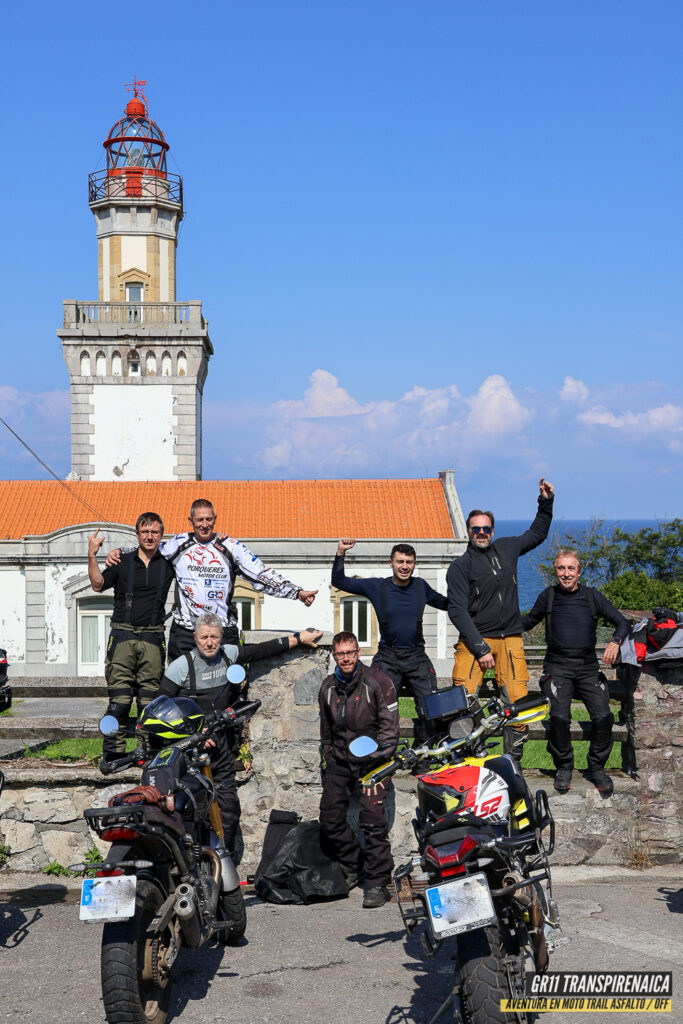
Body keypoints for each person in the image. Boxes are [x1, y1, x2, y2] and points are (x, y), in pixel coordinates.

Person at [160, 612, 322, 852]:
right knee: (189, 810)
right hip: (189, 750)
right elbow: (161, 709)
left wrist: (298, 638)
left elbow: (262, 651)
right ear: (195, 637)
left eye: (214, 636)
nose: (209, 642)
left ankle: (221, 862)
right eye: (204, 637)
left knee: (229, 811)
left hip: (220, 748)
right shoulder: (180, 667)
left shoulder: (229, 654)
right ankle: (192, 866)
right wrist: (191, 736)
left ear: (221, 636)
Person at [105, 498, 318, 660]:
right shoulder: (178, 544)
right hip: (186, 632)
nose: (205, 524)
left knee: (226, 692)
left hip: (222, 630)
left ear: (215, 519)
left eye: (209, 519)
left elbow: (259, 574)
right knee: (181, 691)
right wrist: (119, 552)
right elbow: (147, 547)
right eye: (200, 520)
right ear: (191, 521)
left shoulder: (230, 546)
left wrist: (296, 592)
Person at [446, 478, 555, 765]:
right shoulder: (459, 568)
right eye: (476, 529)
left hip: (511, 639)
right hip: (475, 641)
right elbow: (457, 611)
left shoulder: (507, 548)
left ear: (492, 530)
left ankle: (511, 763)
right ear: (468, 531)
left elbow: (538, 533)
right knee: (462, 702)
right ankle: (471, 757)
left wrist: (545, 501)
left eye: (486, 528)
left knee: (518, 703)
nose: (481, 533)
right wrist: (480, 648)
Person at [522, 548, 630, 795]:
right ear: (555, 570)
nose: (566, 573)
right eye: (561, 568)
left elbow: (622, 622)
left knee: (604, 717)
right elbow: (525, 623)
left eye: (571, 568)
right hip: (557, 668)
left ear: (579, 572)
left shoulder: (592, 596)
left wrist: (615, 642)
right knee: (559, 718)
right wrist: (491, 629)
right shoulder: (548, 596)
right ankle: (564, 766)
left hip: (588, 668)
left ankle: (597, 768)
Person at [332, 539, 447, 743]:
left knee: (431, 709)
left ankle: (423, 760)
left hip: (417, 657)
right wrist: (341, 552)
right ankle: (383, 759)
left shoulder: (421, 586)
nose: (405, 566)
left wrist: (474, 597)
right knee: (376, 708)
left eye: (409, 562)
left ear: (414, 564)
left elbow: (447, 604)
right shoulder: (378, 586)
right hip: (388, 657)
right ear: (391, 562)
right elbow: (340, 582)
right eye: (400, 561)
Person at [318, 630, 400, 909]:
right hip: (340, 760)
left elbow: (390, 736)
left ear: (358, 652)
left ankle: (377, 882)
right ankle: (354, 866)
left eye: (350, 652)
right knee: (329, 819)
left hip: (374, 762)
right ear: (334, 656)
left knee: (372, 821)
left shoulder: (379, 682)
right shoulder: (327, 687)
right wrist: (331, 760)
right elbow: (326, 734)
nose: (346, 658)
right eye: (340, 654)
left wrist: (377, 770)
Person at [88, 514, 175, 762]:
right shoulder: (121, 560)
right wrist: (92, 555)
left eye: (155, 532)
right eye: (144, 531)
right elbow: (97, 585)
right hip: (123, 636)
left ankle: (145, 753)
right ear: (137, 534)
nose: (149, 536)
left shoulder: (169, 562)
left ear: (161, 535)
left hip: (153, 638)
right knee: (120, 702)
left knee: (150, 703)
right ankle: (113, 755)